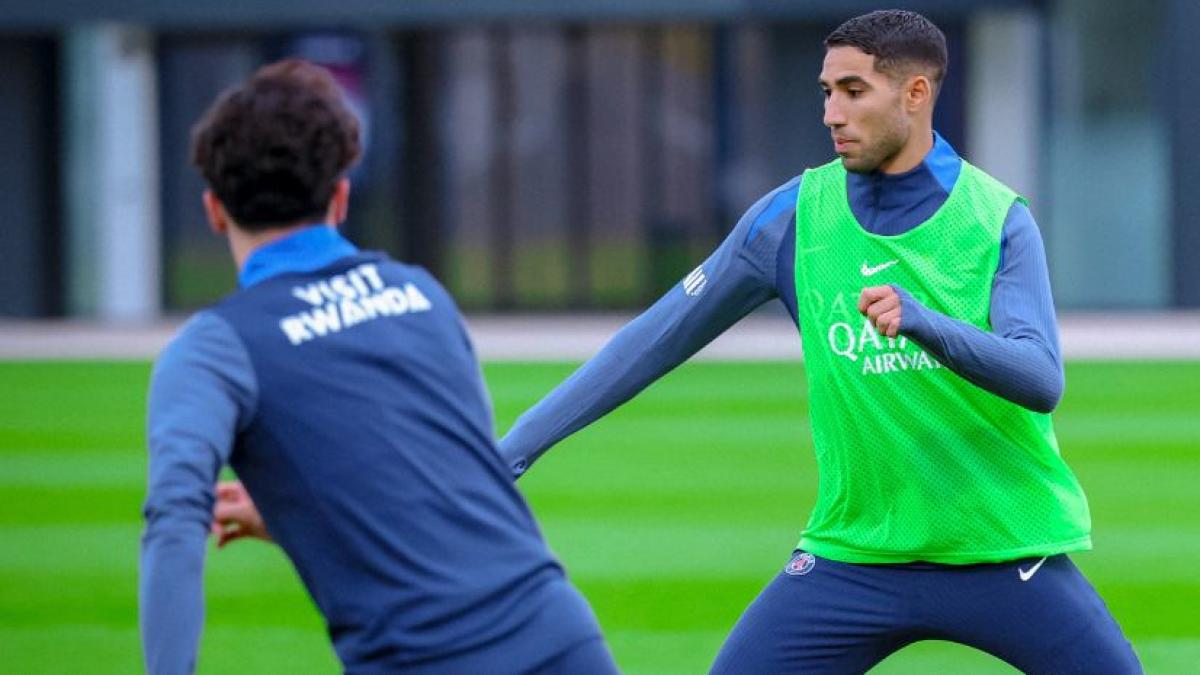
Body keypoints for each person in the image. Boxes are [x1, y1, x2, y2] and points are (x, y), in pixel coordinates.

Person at [497, 10, 1142, 674]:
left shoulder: (996, 220)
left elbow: (1041, 377)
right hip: (853, 558)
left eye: (854, 91)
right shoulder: (788, 221)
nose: (832, 112)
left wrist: (926, 322)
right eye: (826, 91)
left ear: (915, 94)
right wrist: (511, 451)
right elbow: (649, 341)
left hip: (1006, 551)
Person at [138, 59, 617, 675]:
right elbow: (461, 489)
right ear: (340, 196)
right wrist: (297, 514)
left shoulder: (212, 347)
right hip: (562, 639)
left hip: (422, 658)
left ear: (213, 210)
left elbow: (174, 524)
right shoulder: (421, 295)